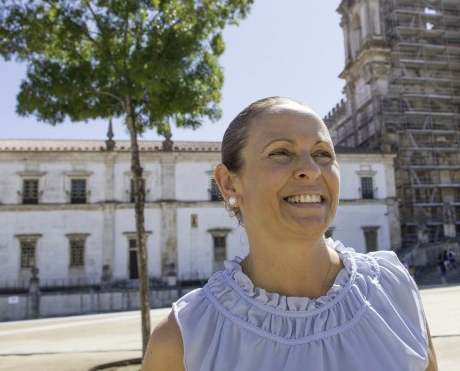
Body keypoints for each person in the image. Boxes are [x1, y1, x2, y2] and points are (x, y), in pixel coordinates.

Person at [142, 96, 437, 370]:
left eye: (323, 154)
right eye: (281, 152)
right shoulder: (183, 338)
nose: (311, 170)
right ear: (229, 184)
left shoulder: (394, 290)